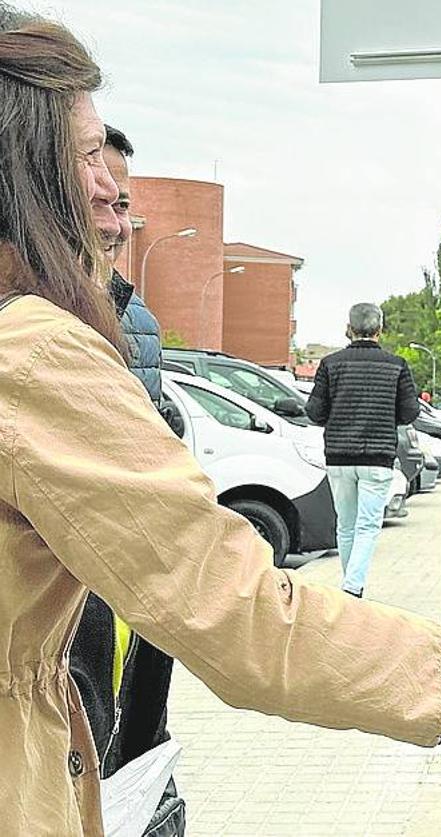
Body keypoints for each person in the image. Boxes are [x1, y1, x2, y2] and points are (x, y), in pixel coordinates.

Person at [0, 7, 441, 835]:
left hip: (336, 458)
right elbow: (231, 603)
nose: (109, 185)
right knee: (358, 526)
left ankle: (356, 574)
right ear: (23, 167)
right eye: (83, 154)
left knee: (356, 527)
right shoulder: (35, 354)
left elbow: (312, 413)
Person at [68, 124, 187, 835]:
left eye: (124, 205)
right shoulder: (39, 329)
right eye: (98, 188)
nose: (116, 213)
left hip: (128, 614)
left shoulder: (130, 313)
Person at [304, 302, 418, 598]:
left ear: (349, 329)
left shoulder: (330, 364)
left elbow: (315, 412)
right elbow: (409, 413)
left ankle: (349, 584)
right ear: (380, 329)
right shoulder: (397, 365)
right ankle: (352, 587)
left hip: (339, 457)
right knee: (368, 525)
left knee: (346, 525)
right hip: (378, 457)